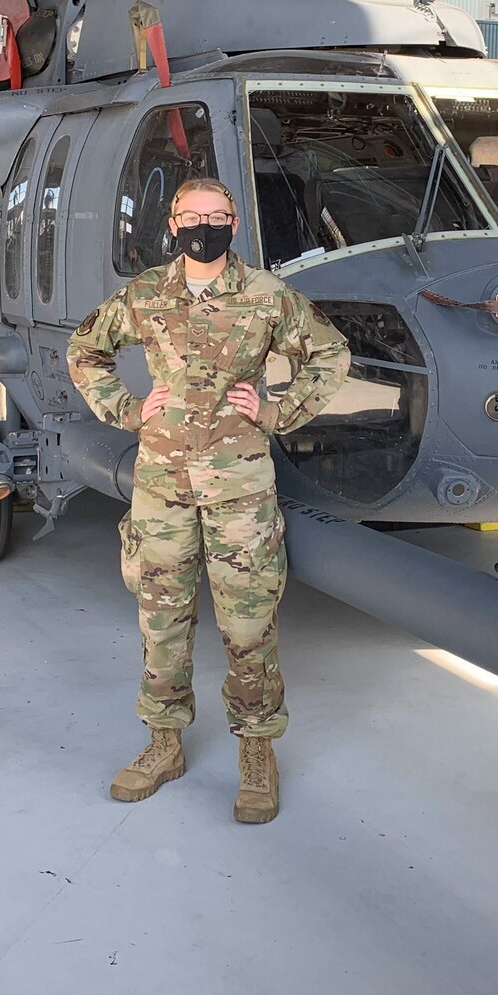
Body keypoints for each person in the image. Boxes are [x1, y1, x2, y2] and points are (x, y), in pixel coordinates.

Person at [68, 177, 349, 824]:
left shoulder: (264, 295)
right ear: (172, 224)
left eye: (216, 215)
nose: (204, 225)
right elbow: (86, 350)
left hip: (239, 487)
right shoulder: (146, 294)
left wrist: (279, 411)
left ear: (234, 224)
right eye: (191, 215)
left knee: (248, 624)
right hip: (162, 483)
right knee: (160, 618)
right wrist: (127, 408)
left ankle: (256, 751)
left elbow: (330, 353)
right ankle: (163, 742)